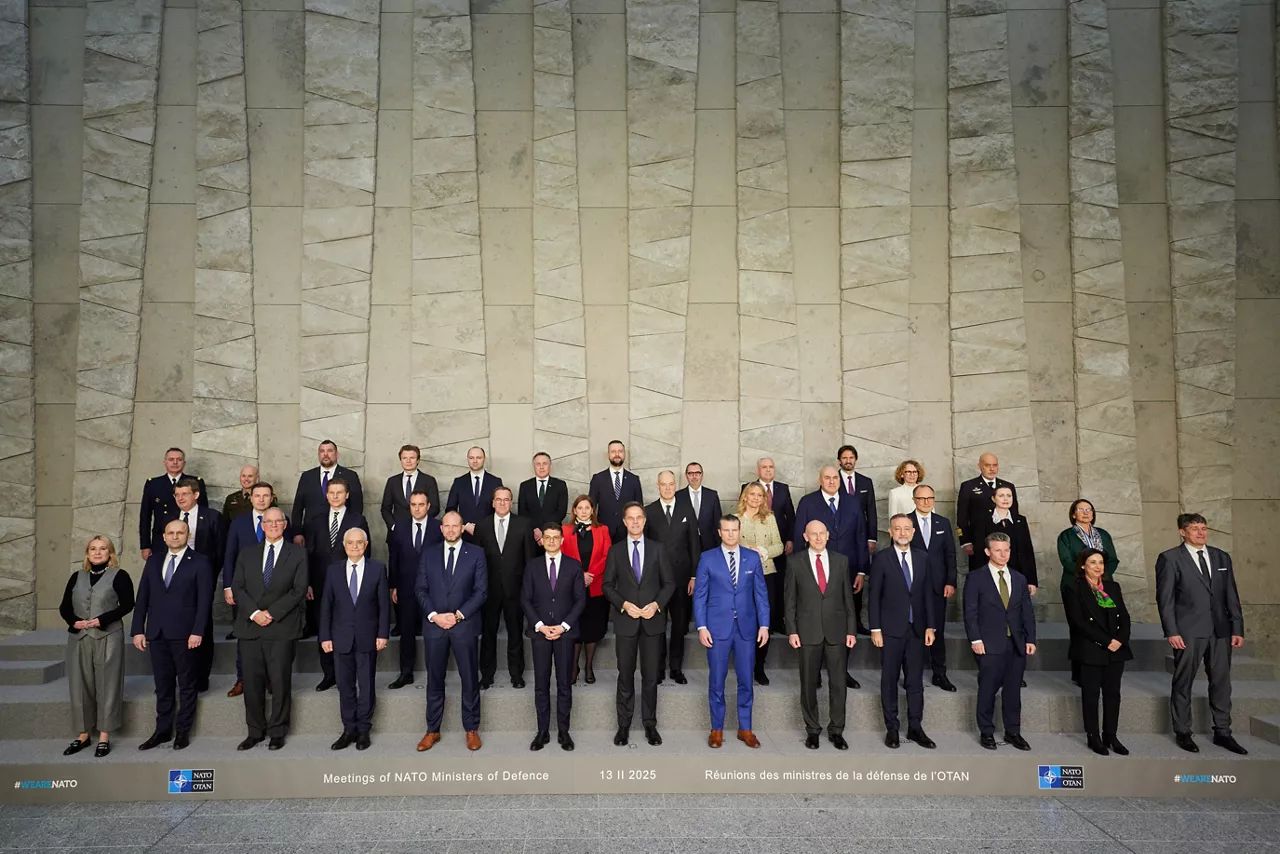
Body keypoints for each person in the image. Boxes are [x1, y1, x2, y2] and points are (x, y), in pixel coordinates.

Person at [1155, 512, 1247, 755]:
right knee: (1184, 681)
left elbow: (1231, 595)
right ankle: (1183, 732)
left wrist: (1237, 627)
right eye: (1194, 528)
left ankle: (1223, 732)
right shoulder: (1170, 558)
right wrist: (1171, 631)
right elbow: (1165, 600)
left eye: (1204, 528)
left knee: (1221, 682)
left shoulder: (1221, 556)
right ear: (1182, 532)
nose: (1200, 532)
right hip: (1187, 632)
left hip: (1221, 631)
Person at [131, 519, 213, 751]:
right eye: (171, 533)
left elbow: (204, 601)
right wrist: (138, 629)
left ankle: (182, 732)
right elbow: (143, 597)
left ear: (188, 535)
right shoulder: (154, 560)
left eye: (180, 533)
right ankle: (162, 731)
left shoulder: (200, 562)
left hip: (185, 633)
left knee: (187, 684)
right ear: (164, 536)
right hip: (156, 632)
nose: (175, 536)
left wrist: (198, 631)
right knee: (163, 685)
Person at [232, 507, 309, 751]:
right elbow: (238, 587)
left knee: (280, 682)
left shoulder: (297, 553)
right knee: (252, 684)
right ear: (262, 525)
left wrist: (271, 613)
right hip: (250, 626)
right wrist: (255, 613)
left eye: (279, 521)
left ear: (285, 525)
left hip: (281, 627)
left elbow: (299, 590)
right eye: (269, 521)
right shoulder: (247, 553)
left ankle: (277, 731)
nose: (274, 525)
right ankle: (254, 732)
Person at [693, 514, 769, 749]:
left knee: (746, 679)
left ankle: (745, 728)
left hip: (746, 628)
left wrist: (764, 625)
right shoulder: (707, 558)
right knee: (717, 680)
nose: (730, 534)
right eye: (726, 530)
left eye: (734, 530)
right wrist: (702, 626)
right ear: (719, 532)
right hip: (716, 629)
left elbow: (760, 593)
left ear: (740, 530)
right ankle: (716, 729)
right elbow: (700, 595)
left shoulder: (752, 558)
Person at [603, 501, 674, 747]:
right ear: (624, 522)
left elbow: (669, 584)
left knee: (651, 676)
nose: (635, 522)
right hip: (626, 623)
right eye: (630, 518)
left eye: (639, 518)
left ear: (644, 521)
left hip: (652, 622)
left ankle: (650, 725)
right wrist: (623, 605)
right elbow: (607, 586)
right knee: (625, 675)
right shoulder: (615, 551)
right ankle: (623, 725)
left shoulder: (658, 549)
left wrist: (656, 605)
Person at [416, 511, 488, 752]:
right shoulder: (429, 553)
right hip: (435, 626)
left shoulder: (476, 553)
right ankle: (432, 730)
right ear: (441, 528)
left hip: (464, 626)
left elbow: (481, 591)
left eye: (455, 526)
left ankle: (471, 729)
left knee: (469, 679)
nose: (450, 530)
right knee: (435, 679)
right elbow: (421, 589)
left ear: (461, 528)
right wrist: (435, 616)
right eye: (446, 526)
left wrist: (457, 616)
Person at [785, 520, 857, 750]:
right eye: (812, 534)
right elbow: (790, 602)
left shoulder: (841, 561)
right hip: (807, 631)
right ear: (805, 537)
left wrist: (851, 630)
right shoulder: (795, 562)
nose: (817, 538)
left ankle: (837, 730)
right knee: (808, 683)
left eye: (821, 534)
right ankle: (812, 730)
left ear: (828, 535)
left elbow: (848, 598)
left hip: (837, 631)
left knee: (838, 684)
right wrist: (792, 631)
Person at [60, 536, 134, 758]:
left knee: (107, 684)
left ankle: (104, 736)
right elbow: (64, 606)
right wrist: (73, 621)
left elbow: (128, 604)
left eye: (103, 549)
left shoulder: (119, 576)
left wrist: (102, 619)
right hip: (79, 637)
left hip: (108, 636)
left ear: (110, 553)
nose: (97, 552)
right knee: (79, 686)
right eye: (93, 549)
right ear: (87, 553)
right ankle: (83, 735)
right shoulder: (77, 577)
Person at [868, 515, 937, 749]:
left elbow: (928, 594)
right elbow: (874, 597)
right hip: (889, 630)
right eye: (897, 529)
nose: (902, 533)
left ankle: (915, 727)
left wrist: (930, 626)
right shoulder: (881, 558)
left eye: (906, 528)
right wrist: (875, 629)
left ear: (913, 531)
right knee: (889, 680)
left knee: (915, 681)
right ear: (890, 532)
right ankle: (893, 729)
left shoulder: (923, 558)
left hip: (917, 629)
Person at [964, 531, 1036, 751]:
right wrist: (975, 639)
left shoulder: (1019, 578)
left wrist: (1030, 639)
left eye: (1006, 550)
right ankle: (986, 731)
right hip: (988, 642)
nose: (1003, 554)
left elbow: (1027, 612)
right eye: (998, 550)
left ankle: (1013, 732)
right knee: (987, 689)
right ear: (987, 552)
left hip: (1016, 643)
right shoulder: (976, 577)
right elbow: (970, 611)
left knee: (1013, 690)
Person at [319, 528, 389, 751]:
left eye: (359, 543)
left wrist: (383, 633)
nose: (355, 546)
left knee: (366, 685)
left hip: (368, 636)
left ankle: (363, 730)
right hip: (340, 637)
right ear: (344, 544)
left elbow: (384, 607)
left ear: (366, 545)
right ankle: (348, 728)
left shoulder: (377, 569)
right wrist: (325, 636)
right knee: (345, 685)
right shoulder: (333, 571)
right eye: (350, 543)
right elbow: (326, 606)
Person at [520, 525, 586, 751]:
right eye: (547, 537)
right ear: (543, 541)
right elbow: (525, 599)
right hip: (540, 634)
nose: (551, 541)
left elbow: (580, 600)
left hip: (565, 634)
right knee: (541, 684)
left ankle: (564, 732)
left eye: (555, 537)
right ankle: (542, 731)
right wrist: (540, 626)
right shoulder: (532, 566)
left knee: (564, 684)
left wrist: (563, 626)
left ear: (562, 539)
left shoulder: (574, 566)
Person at [303, 478, 370, 692]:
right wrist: (308, 583)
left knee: (345, 628)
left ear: (347, 495)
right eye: (331, 492)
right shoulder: (315, 520)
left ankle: (347, 673)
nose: (335, 496)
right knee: (325, 627)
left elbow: (365, 554)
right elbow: (308, 555)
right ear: (326, 494)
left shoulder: (358, 520)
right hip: (321, 583)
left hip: (349, 584)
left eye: (339, 492)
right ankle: (329, 674)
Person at [794, 465, 869, 657]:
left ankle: (842, 670)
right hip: (815, 572)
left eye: (835, 478)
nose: (831, 481)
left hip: (848, 571)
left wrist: (861, 571)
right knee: (815, 621)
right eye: (827, 478)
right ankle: (815, 671)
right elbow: (798, 539)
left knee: (844, 620)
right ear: (820, 480)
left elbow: (861, 536)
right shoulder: (807, 502)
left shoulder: (852, 503)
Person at [1063, 547, 1132, 756]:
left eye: (1100, 562)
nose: (1097, 567)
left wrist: (1119, 640)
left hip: (1116, 650)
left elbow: (1125, 617)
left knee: (1113, 694)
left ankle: (1111, 735)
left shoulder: (1113, 586)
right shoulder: (1073, 588)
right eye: (1092, 562)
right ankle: (1093, 736)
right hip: (1090, 649)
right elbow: (1079, 623)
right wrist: (1106, 641)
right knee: (1091, 695)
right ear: (1083, 565)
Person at [160, 477, 223, 693]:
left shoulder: (212, 516)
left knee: (202, 624)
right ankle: (173, 678)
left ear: (196, 495)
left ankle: (201, 678)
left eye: (185, 494)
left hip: (202, 577)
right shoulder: (169, 517)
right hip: (174, 579)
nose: (180, 498)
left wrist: (210, 576)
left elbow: (220, 551)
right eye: (177, 495)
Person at [222, 481, 284, 697]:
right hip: (244, 590)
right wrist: (228, 586)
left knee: (272, 635)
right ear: (251, 498)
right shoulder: (238, 523)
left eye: (266, 496)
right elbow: (229, 555)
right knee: (245, 635)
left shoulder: (281, 521)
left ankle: (269, 678)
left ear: (271, 497)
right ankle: (243, 679)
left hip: (274, 590)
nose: (261, 499)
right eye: (257, 495)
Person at [473, 486, 536, 689]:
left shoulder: (523, 524)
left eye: (506, 499)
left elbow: (529, 559)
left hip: (515, 590)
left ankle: (516, 674)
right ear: (492, 502)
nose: (502, 503)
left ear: (511, 502)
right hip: (489, 590)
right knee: (488, 634)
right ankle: (487, 675)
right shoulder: (482, 526)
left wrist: (528, 589)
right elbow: (477, 561)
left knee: (515, 633)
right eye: (498, 499)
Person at [644, 471, 701, 684]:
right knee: (657, 626)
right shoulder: (649, 511)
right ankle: (658, 668)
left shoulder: (687, 509)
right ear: (657, 486)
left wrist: (694, 576)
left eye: (671, 484)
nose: (667, 488)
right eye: (663, 485)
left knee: (679, 625)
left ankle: (675, 668)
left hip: (681, 578)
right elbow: (646, 546)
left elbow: (695, 545)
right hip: (657, 580)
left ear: (675, 485)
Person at [1057, 498, 1119, 685]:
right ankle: (1080, 673)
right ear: (1073, 514)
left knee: (1103, 625)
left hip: (1102, 585)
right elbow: (1066, 560)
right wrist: (1086, 578)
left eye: (1089, 509)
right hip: (1075, 585)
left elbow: (1113, 559)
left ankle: (1103, 666)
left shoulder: (1103, 535)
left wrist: (1101, 576)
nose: (1086, 513)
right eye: (1081, 509)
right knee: (1080, 627)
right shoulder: (1066, 536)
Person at [386, 489, 442, 689]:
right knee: (407, 632)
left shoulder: (439, 527)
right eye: (413, 504)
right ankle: (406, 673)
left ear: (428, 506)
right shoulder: (398, 528)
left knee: (433, 632)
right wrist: (393, 585)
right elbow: (394, 558)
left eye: (421, 504)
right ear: (409, 507)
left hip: (434, 589)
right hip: (407, 587)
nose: (417, 508)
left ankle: (435, 672)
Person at [908, 485, 958, 691]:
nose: (926, 502)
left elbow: (950, 555)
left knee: (937, 629)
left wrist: (951, 581)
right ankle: (912, 674)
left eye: (930, 498)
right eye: (922, 498)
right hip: (913, 586)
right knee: (913, 631)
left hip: (938, 586)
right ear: (914, 500)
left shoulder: (943, 523)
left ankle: (940, 673)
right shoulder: (906, 522)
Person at [560, 494, 612, 684]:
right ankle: (574, 666)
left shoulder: (603, 530)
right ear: (574, 510)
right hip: (572, 587)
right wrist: (579, 575)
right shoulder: (565, 531)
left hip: (595, 586)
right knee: (575, 628)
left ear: (592, 510)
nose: (583, 511)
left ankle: (589, 666)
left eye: (587, 508)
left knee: (592, 628)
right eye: (580, 508)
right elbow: (562, 556)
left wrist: (590, 575)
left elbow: (607, 555)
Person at [735, 482, 783, 685]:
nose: (756, 498)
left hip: (766, 574)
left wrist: (763, 552)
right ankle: (744, 664)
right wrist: (748, 552)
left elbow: (779, 545)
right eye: (752, 494)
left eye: (760, 495)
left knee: (765, 621)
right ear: (745, 497)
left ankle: (759, 666)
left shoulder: (769, 518)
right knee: (746, 620)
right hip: (743, 576)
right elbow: (730, 544)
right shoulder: (736, 519)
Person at [747, 457, 795, 635]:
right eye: (764, 467)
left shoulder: (783, 488)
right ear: (757, 470)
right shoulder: (748, 487)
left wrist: (790, 539)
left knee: (778, 584)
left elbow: (790, 516)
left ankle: (777, 621)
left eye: (771, 467)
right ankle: (759, 623)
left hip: (777, 545)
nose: (768, 470)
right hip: (753, 548)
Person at [138, 447, 207, 560]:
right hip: (161, 540)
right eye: (171, 459)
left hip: (190, 539)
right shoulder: (153, 484)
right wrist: (145, 545)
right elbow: (145, 517)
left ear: (184, 462)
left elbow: (204, 514)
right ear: (164, 462)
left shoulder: (196, 482)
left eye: (179, 459)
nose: (175, 462)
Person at [291, 440, 364, 543]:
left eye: (329, 451)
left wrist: (352, 532)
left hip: (340, 534)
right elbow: (298, 507)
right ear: (318, 454)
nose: (325, 454)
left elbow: (357, 507)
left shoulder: (350, 476)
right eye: (322, 451)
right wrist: (297, 533)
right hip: (311, 534)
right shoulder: (307, 476)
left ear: (337, 454)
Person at [966, 487, 1037, 590]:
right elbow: (979, 552)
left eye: (1009, 496)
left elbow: (1027, 551)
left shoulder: (1020, 520)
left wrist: (1031, 580)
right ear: (993, 499)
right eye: (1001, 496)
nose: (1005, 499)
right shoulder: (982, 520)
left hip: (1017, 575)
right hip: (991, 576)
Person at [956, 453, 1018, 561]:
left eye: (995, 465)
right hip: (979, 540)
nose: (992, 469)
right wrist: (965, 541)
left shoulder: (1007, 486)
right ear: (979, 466)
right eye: (987, 465)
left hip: (1004, 539)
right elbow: (962, 516)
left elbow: (1014, 514)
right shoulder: (968, 486)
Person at [380, 444, 441, 544]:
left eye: (412, 458)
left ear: (418, 460)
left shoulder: (429, 480)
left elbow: (435, 507)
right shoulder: (392, 481)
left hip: (422, 532)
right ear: (401, 460)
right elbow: (385, 509)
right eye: (405, 458)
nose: (408, 461)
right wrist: (394, 527)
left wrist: (419, 522)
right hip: (397, 535)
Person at [588, 440, 644, 542]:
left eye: (620, 451)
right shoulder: (598, 479)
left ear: (624, 454)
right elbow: (591, 507)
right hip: (603, 533)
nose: (617, 454)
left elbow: (639, 507)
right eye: (613, 451)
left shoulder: (634, 479)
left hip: (627, 532)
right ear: (608, 455)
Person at [445, 446, 503, 536]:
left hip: (489, 534)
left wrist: (487, 526)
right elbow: (450, 509)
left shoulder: (495, 482)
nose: (475, 461)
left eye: (478, 458)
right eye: (471, 458)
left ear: (484, 459)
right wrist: (465, 524)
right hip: (464, 534)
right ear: (467, 459)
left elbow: (501, 509)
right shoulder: (459, 482)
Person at [518, 451, 569, 548]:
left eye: (545, 463)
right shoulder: (525, 486)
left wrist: (545, 531)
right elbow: (522, 511)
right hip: (532, 536)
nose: (541, 467)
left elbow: (561, 511)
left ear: (550, 466)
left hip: (553, 535)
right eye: (538, 464)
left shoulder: (560, 485)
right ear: (534, 466)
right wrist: (535, 529)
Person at [679, 461, 722, 556]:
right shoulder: (678, 496)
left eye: (697, 473)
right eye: (691, 473)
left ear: (702, 475)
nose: (694, 476)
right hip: (685, 545)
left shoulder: (712, 495)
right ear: (686, 475)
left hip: (709, 544)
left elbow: (718, 522)